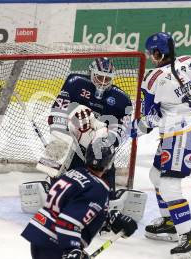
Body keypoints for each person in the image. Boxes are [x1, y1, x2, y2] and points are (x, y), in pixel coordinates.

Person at [132, 32, 191, 259]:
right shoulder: (190, 61)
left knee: (169, 185)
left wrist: (131, 131)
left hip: (181, 133)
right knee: (155, 175)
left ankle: (187, 241)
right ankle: (170, 222)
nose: (150, 57)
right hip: (186, 128)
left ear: (159, 53)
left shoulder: (152, 79)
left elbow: (149, 119)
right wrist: (187, 93)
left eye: (152, 53)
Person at [20, 57, 135, 213]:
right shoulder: (75, 83)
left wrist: (105, 144)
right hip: (72, 133)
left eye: (107, 79)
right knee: (59, 146)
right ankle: (55, 185)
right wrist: (59, 135)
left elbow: (121, 129)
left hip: (97, 139)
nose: (102, 82)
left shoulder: (122, 100)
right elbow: (59, 110)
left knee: (104, 160)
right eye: (99, 77)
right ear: (91, 73)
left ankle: (107, 197)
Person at [21, 139, 138, 259]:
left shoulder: (73, 173)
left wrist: (110, 217)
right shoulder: (98, 188)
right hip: (56, 245)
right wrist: (72, 250)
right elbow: (67, 221)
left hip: (39, 238)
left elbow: (75, 207)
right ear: (109, 163)